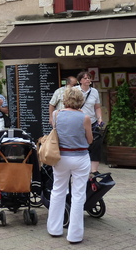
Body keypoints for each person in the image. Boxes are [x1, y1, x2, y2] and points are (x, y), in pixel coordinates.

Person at [46, 87, 93, 244]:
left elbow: (56, 133)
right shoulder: (85, 118)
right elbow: (90, 140)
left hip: (61, 157)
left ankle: (54, 228)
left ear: (65, 99)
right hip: (80, 157)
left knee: (58, 191)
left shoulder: (56, 114)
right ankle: (74, 235)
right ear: (81, 100)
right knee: (78, 195)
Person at [76, 71, 104, 175]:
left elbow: (97, 107)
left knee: (95, 145)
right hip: (78, 122)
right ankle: (79, 168)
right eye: (85, 78)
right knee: (80, 144)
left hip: (92, 121)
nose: (88, 80)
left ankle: (94, 170)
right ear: (80, 81)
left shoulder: (94, 92)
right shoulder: (75, 91)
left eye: (89, 78)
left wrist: (99, 118)